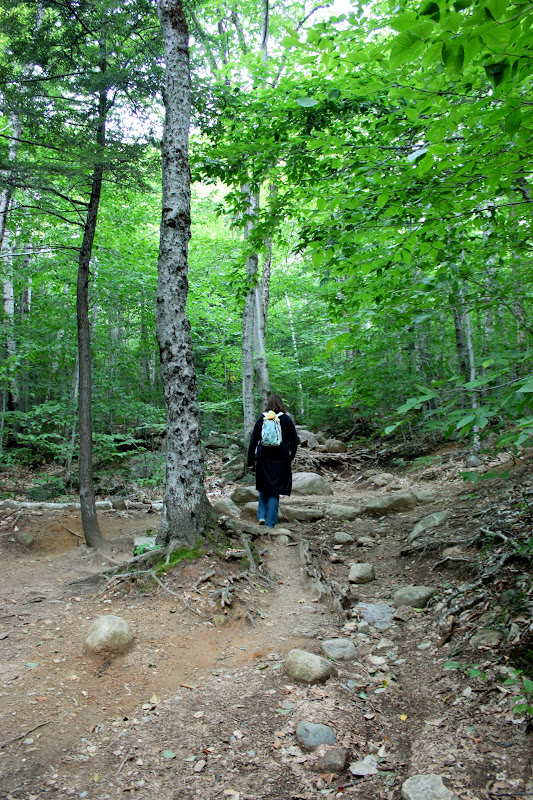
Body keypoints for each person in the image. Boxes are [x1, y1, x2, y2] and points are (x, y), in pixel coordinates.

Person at [247, 394, 299, 529]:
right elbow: (295, 441)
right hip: (281, 458)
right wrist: (290, 457)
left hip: (263, 457)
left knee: (263, 487)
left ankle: (261, 516)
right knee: (274, 490)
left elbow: (253, 441)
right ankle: (270, 523)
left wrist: (250, 461)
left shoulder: (262, 418)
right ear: (281, 405)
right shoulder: (286, 420)